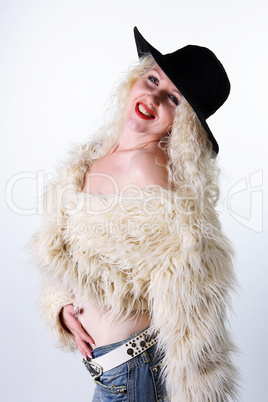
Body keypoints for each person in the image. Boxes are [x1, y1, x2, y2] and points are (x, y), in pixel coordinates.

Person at [29, 27, 238, 401]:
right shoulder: (92, 157)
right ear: (135, 79)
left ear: (185, 122)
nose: (153, 96)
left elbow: (195, 298)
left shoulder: (150, 171)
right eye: (153, 78)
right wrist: (61, 307)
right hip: (115, 372)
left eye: (173, 98)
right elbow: (72, 253)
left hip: (135, 372)